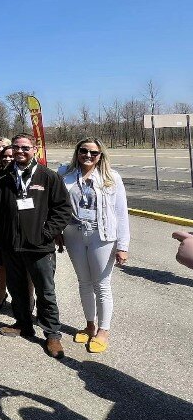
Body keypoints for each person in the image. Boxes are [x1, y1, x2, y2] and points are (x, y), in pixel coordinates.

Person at [0, 134, 72, 359]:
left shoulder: (48, 177)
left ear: (34, 149)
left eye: (25, 147)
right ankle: (23, 324)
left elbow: (63, 209)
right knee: (17, 289)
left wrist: (46, 234)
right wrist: (1, 235)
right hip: (11, 246)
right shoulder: (3, 177)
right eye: (16, 147)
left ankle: (52, 334)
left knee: (46, 292)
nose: (20, 151)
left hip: (39, 247)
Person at [59, 138, 129, 353]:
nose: (88, 156)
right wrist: (58, 232)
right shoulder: (66, 175)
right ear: (77, 152)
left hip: (102, 235)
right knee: (84, 282)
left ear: (101, 155)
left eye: (94, 153)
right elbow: (59, 205)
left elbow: (121, 213)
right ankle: (89, 326)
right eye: (83, 151)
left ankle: (103, 331)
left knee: (101, 284)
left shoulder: (111, 177)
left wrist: (122, 245)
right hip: (74, 233)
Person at [0, 145, 15, 310]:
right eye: (4, 156)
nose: (8, 159)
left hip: (23, 231)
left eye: (11, 156)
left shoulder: (29, 176)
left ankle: (27, 300)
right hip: (2, 231)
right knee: (0, 266)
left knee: (23, 270)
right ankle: (1, 294)